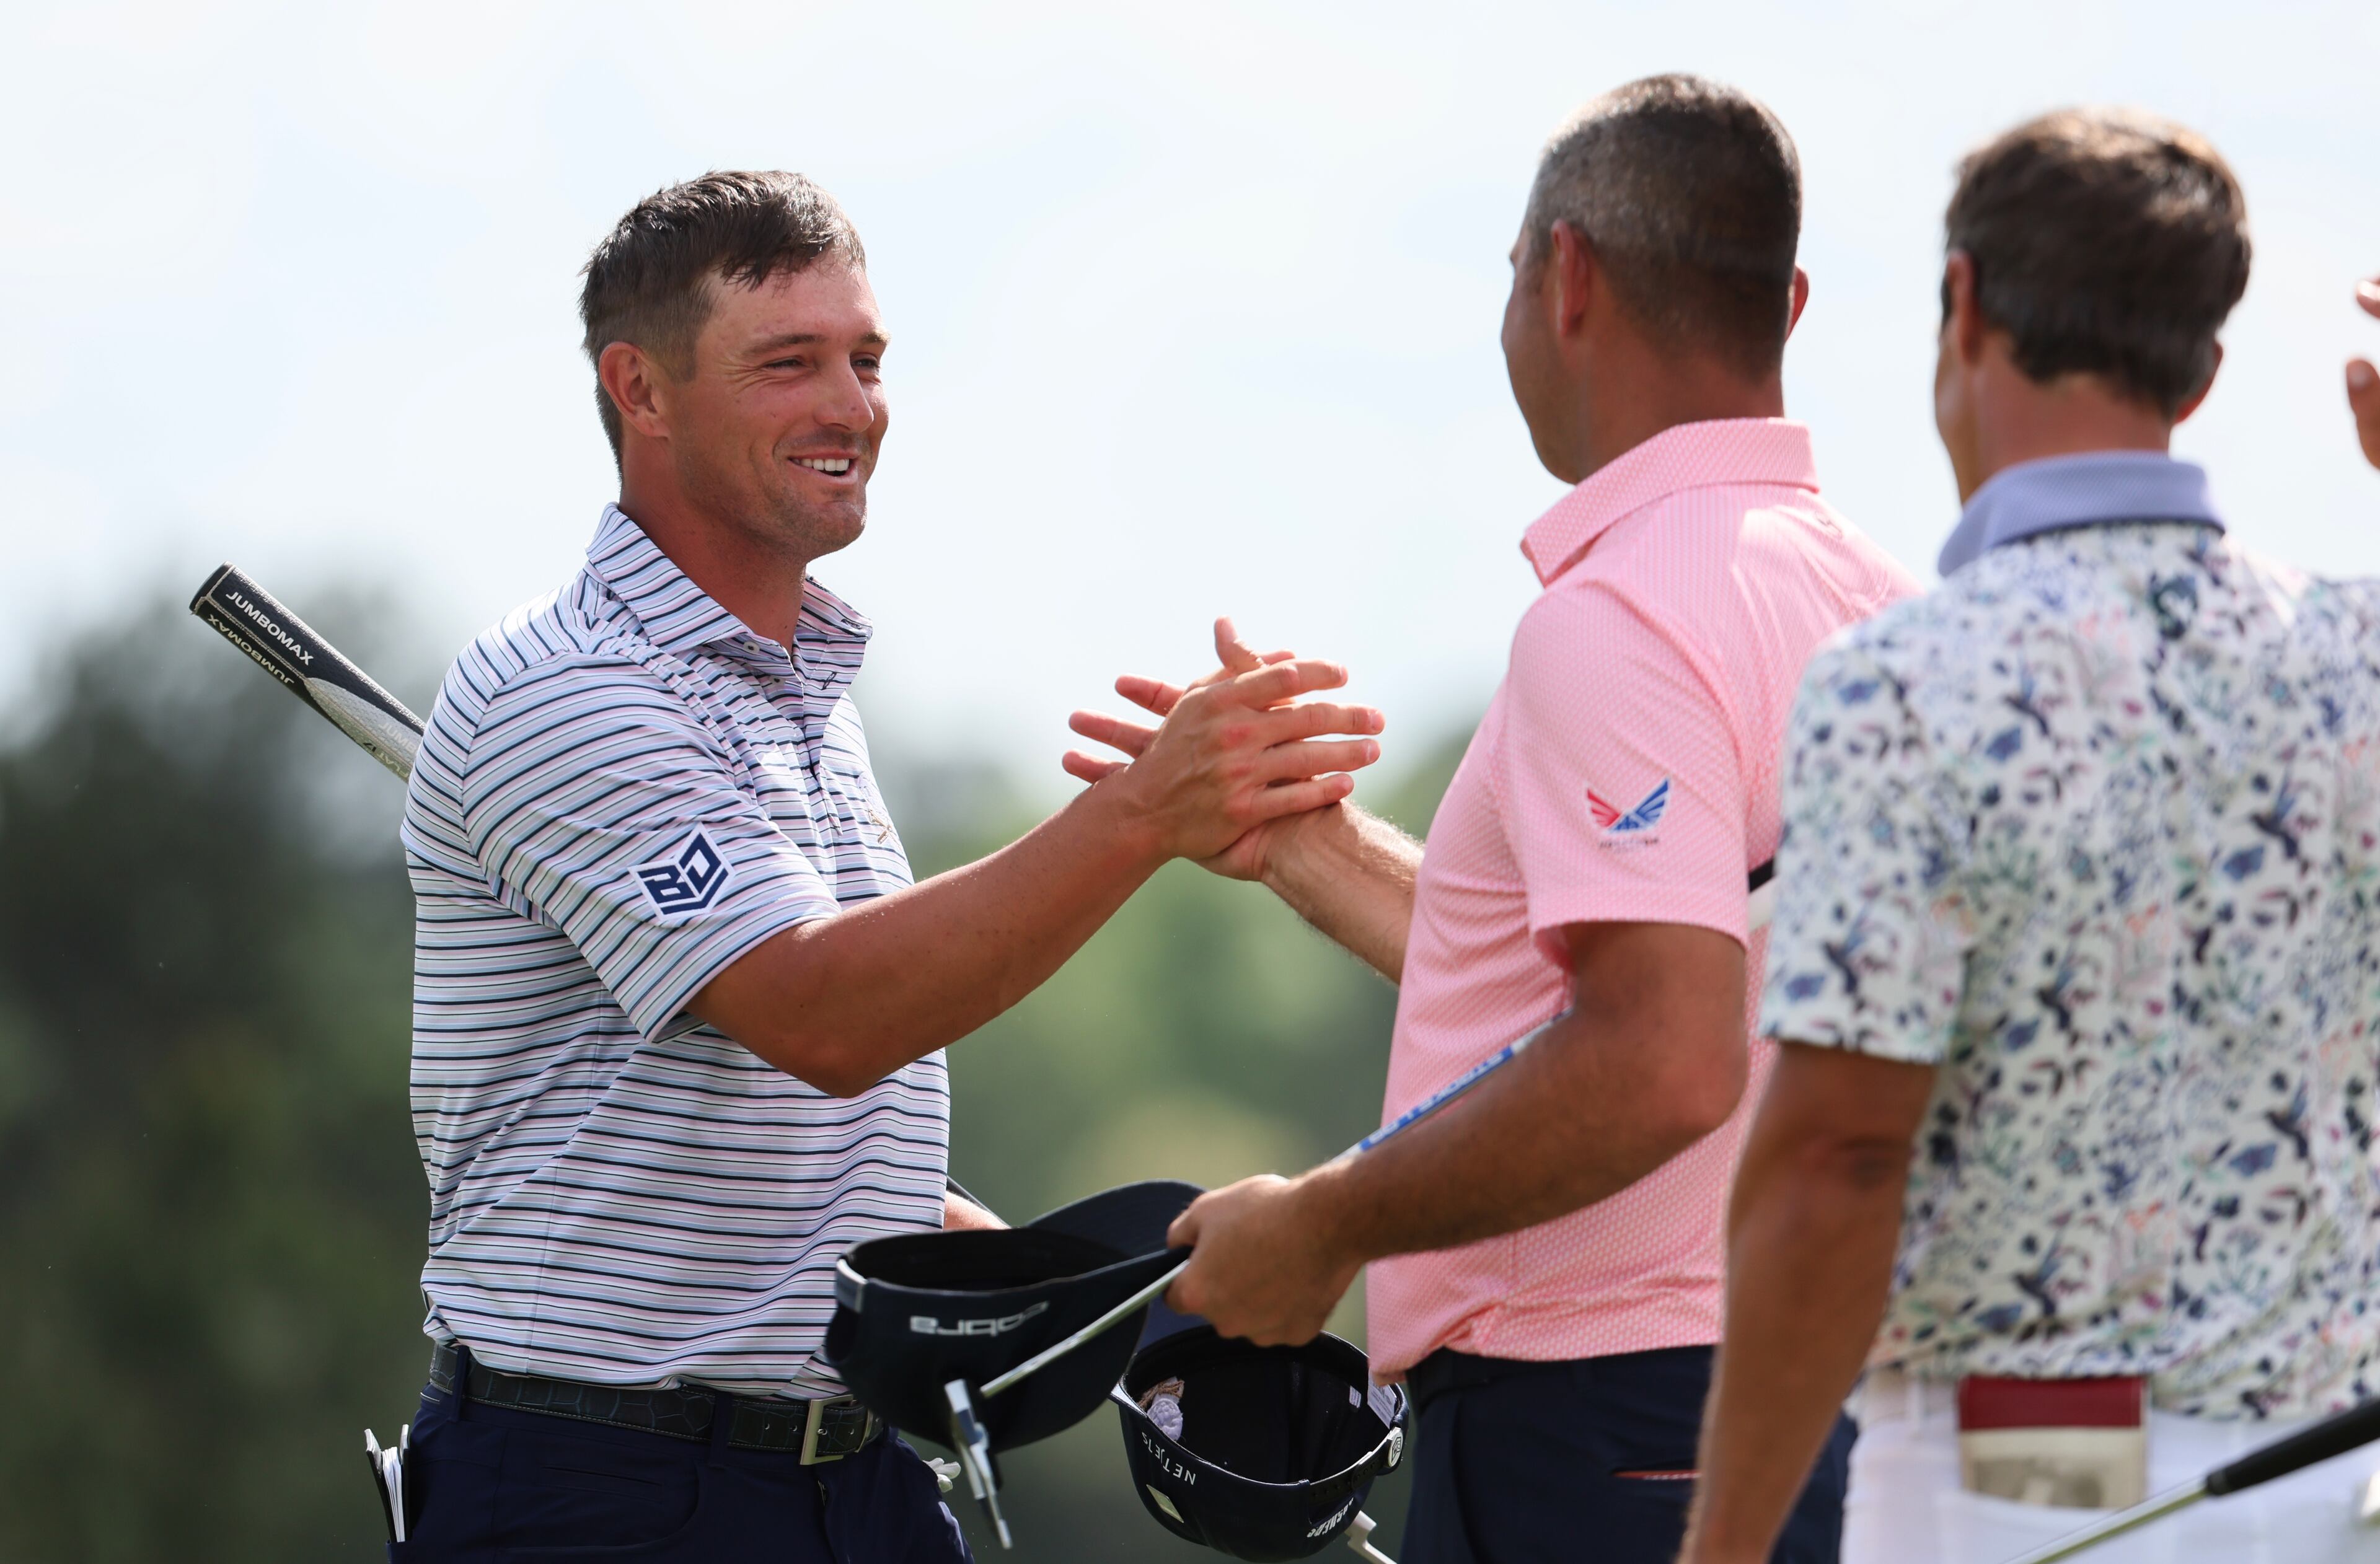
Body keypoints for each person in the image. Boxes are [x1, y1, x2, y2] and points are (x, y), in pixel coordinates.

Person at [392, 171, 1383, 1562]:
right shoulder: (567, 692)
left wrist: (1088, 1302)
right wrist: (1142, 814)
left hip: (852, 1479)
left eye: (865, 359)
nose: (852, 406)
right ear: (643, 390)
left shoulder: (802, 694)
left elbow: (793, 1116)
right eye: (788, 362)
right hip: (595, 1477)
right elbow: (828, 1015)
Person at [1067, 76, 1919, 1563]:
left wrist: (1325, 1220)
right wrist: (1312, 852)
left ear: (1565, 276)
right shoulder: (1885, 601)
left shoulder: (1623, 614)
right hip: (1853, 1412)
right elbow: (1672, 970)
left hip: (1612, 1433)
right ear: (1784, 301)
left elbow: (1657, 1054)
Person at [1677, 112, 2380, 1564]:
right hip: (2331, 1484)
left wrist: (1726, 1544)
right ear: (2204, 366)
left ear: (1966, 304)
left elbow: (1838, 1160)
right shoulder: (2357, 653)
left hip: (2023, 1484)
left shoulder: (1904, 684)